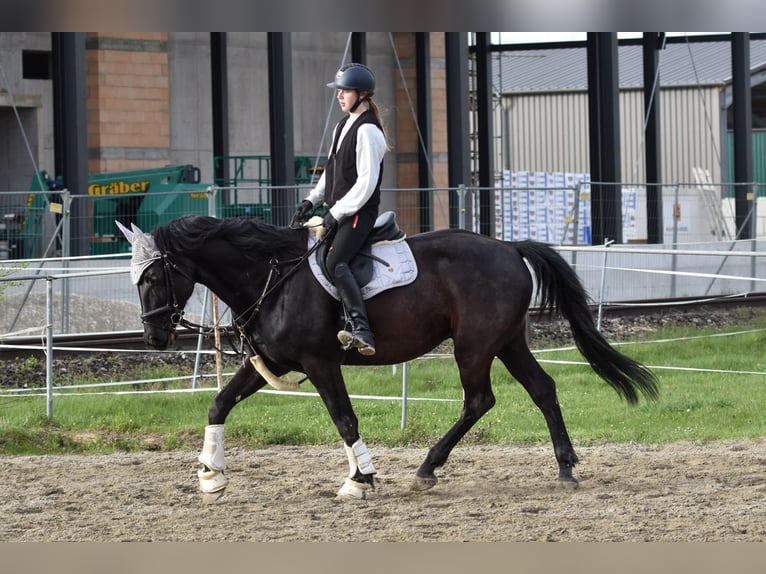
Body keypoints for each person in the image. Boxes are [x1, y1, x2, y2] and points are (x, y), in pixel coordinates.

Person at [290, 62, 387, 356]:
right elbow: (330, 174)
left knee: (335, 263)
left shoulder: (368, 131)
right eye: (339, 91)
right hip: (340, 209)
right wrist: (311, 201)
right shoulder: (341, 126)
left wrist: (335, 213)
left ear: (361, 94)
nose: (339, 96)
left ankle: (362, 329)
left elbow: (366, 184)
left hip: (359, 213)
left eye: (344, 91)